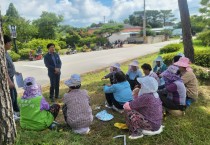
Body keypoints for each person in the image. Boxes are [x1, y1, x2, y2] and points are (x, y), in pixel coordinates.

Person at [4, 35, 20, 119]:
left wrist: (15, 72)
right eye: (9, 43)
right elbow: (4, 70)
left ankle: (16, 111)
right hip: (7, 80)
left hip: (12, 78)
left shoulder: (6, 53)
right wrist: (9, 82)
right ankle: (12, 114)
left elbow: (9, 67)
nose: (10, 44)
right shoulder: (2, 55)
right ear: (4, 43)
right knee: (11, 97)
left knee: (15, 95)